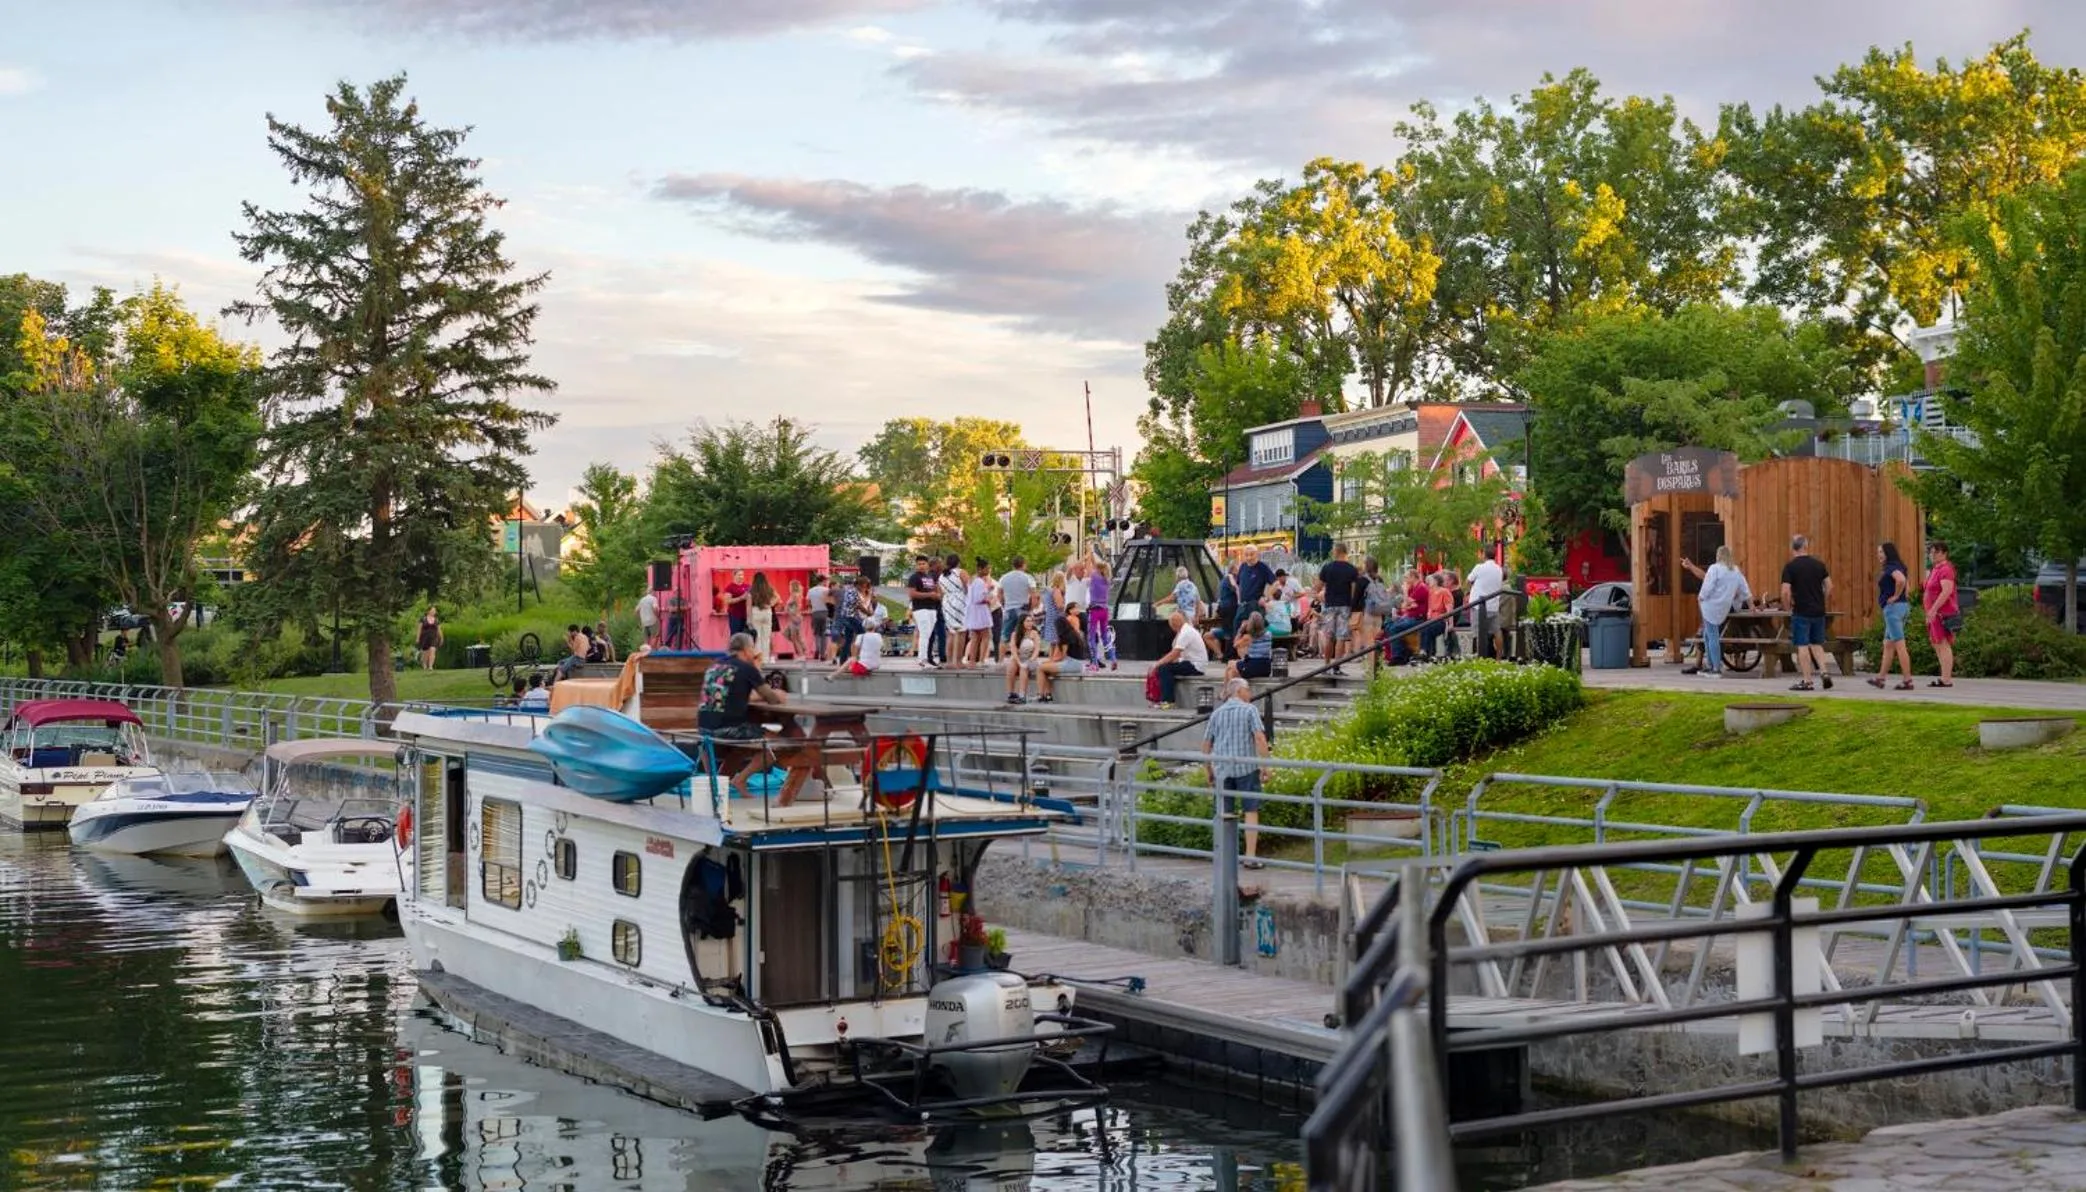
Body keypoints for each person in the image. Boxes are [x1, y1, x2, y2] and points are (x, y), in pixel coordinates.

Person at [1202, 677, 1273, 870]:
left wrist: (1208, 769)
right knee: (1250, 810)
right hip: (1246, 767)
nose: (1250, 694)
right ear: (1239, 691)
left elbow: (1207, 743)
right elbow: (1259, 737)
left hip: (1222, 769)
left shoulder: (1217, 713)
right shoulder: (1249, 710)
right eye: (1248, 690)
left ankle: (1224, 855)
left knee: (1224, 813)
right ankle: (1249, 857)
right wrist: (1266, 765)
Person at [1779, 534, 1835, 691]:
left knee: (1802, 644)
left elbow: (1785, 592)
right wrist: (1821, 598)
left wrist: (1787, 608)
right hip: (1818, 610)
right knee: (1817, 643)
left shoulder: (1790, 567)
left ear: (1793, 548)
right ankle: (1824, 672)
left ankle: (1807, 681)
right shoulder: (1819, 564)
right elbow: (1830, 586)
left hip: (1801, 611)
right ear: (1806, 547)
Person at [1689, 546, 1751, 678]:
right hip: (1724, 606)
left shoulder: (1714, 568)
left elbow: (1707, 586)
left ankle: (1716, 667)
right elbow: (1745, 589)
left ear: (1718, 555)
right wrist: (1752, 606)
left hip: (1710, 605)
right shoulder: (1735, 570)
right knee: (1707, 635)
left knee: (1712, 636)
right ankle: (1710, 665)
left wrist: (1701, 597)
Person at [1867, 542, 1915, 690]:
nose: (1879, 555)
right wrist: (1904, 595)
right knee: (1888, 645)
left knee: (1900, 646)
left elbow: (1900, 580)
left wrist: (1895, 596)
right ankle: (1880, 679)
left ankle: (1908, 681)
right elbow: (1906, 582)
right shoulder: (1900, 566)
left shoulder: (1891, 567)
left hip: (1893, 610)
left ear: (1888, 553)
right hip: (1902, 608)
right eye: (1878, 552)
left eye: (1881, 552)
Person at [1151, 610, 1208, 709]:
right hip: (1192, 662)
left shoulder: (1186, 632)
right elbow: (1177, 654)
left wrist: (1157, 664)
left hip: (1196, 665)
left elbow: (1175, 653)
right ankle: (1163, 698)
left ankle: (1168, 701)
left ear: (1174, 624)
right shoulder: (1185, 630)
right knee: (1166, 667)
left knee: (1164, 669)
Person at [1316, 544, 1360, 671]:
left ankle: (1326, 664)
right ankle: (1336, 667)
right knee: (1341, 637)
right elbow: (1353, 591)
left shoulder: (1327, 568)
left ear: (1336, 552)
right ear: (1345, 553)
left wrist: (1321, 597)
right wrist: (1352, 605)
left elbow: (1318, 587)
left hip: (1330, 605)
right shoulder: (1351, 569)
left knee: (1329, 636)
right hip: (1344, 605)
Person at [1035, 599, 1089, 703]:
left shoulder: (1065, 638)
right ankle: (1048, 695)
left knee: (1040, 668)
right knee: (1047, 670)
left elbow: (1062, 657)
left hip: (1072, 663)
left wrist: (1050, 661)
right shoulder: (1074, 634)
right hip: (1077, 663)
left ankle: (1041, 695)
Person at [1923, 540, 1960, 688]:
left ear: (1944, 553)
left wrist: (1934, 609)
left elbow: (1947, 591)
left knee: (1943, 643)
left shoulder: (1946, 569)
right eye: (1931, 552)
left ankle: (1946, 679)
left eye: (1936, 552)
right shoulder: (1935, 569)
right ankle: (1943, 676)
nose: (1932, 555)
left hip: (1942, 613)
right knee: (1936, 643)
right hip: (1933, 614)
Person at [1466, 547, 1506, 659]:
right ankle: (1498, 658)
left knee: (1478, 632)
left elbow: (1468, 580)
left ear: (1484, 555)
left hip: (1479, 605)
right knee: (1496, 631)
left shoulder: (1479, 567)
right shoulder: (1499, 569)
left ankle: (1480, 656)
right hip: (1493, 605)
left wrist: (1471, 590)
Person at [997, 555, 1034, 663]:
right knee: (1024, 635)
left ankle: (1000, 661)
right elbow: (1034, 595)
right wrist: (1031, 609)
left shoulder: (1004, 577)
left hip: (1009, 608)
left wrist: (1004, 604)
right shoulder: (1028, 577)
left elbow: (999, 594)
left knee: (1004, 635)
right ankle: (1023, 659)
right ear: (1023, 564)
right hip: (1023, 608)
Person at [829, 612, 886, 679]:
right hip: (876, 664)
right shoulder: (879, 636)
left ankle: (833, 675)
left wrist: (856, 657)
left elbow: (855, 653)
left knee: (851, 659)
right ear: (874, 626)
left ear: (864, 627)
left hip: (863, 667)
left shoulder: (861, 636)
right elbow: (882, 648)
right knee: (856, 661)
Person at [906, 555, 940, 666]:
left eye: (923, 564)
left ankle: (926, 657)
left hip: (932, 608)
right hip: (920, 609)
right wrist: (929, 595)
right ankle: (922, 659)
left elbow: (936, 590)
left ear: (927, 565)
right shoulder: (914, 577)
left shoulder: (930, 577)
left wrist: (936, 595)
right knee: (924, 633)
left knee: (928, 634)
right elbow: (912, 594)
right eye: (919, 564)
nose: (921, 566)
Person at [963, 558, 995, 667]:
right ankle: (981, 660)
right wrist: (988, 598)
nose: (988, 571)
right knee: (986, 635)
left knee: (975, 637)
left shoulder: (972, 580)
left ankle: (972, 661)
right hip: (980, 611)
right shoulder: (980, 581)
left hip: (972, 611)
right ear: (980, 569)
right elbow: (978, 598)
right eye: (987, 568)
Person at [937, 554, 968, 669]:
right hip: (960, 601)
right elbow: (968, 587)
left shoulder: (942, 576)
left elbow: (940, 593)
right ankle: (958, 661)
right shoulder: (961, 572)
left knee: (950, 633)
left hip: (947, 602)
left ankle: (949, 662)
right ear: (958, 562)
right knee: (961, 632)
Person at [1235, 547, 1276, 633]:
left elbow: (1275, 583)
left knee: (1255, 631)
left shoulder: (1262, 567)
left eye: (1251, 554)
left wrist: (1266, 598)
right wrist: (1238, 599)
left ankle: (1257, 646)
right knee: (1237, 628)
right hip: (1243, 605)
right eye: (1246, 555)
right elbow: (1238, 584)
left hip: (1255, 604)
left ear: (1257, 554)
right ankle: (1241, 646)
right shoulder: (1242, 566)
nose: (1249, 557)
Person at [1086, 556, 1116, 670]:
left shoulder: (1094, 577)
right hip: (1104, 610)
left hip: (1094, 610)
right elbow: (1094, 565)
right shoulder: (1107, 580)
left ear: (1097, 568)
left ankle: (1094, 663)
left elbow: (1089, 566)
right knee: (1105, 636)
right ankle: (1113, 658)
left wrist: (1088, 554)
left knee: (1091, 637)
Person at [1226, 612, 1272, 682]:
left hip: (1254, 666)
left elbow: (1235, 644)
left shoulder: (1249, 637)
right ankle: (1231, 690)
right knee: (1232, 672)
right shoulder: (1269, 634)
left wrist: (1241, 629)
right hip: (1266, 667)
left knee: (1230, 664)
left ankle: (1227, 691)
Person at [747, 572, 779, 662]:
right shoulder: (769, 588)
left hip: (755, 612)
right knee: (767, 637)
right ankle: (766, 658)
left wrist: (748, 619)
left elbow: (748, 606)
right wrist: (770, 605)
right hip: (767, 612)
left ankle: (759, 659)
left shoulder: (751, 590)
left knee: (758, 637)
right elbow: (777, 597)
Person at [806, 574, 830, 662]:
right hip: (825, 612)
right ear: (823, 581)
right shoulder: (827, 590)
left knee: (816, 633)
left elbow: (808, 603)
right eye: (826, 580)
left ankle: (817, 649)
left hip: (815, 612)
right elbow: (830, 602)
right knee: (824, 634)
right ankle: (823, 655)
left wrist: (812, 607)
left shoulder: (810, 590)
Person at [722, 569, 751, 637]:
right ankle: (734, 647)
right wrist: (741, 598)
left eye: (742, 575)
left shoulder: (748, 586)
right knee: (735, 635)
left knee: (746, 636)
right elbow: (727, 601)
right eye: (739, 575)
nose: (741, 577)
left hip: (746, 616)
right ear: (734, 576)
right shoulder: (730, 587)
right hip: (735, 616)